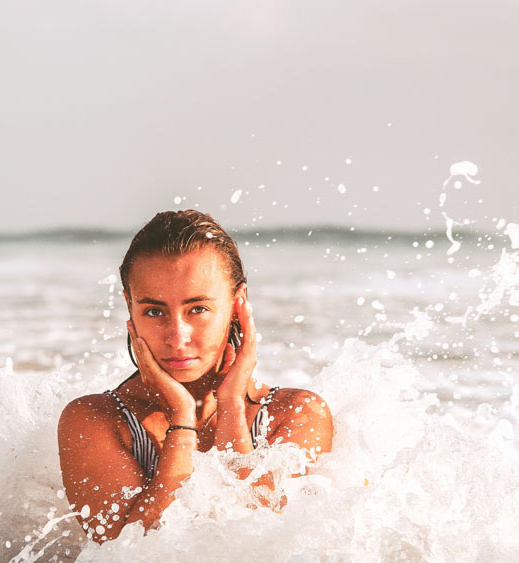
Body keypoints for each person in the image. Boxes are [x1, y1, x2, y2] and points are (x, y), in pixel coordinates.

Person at [58, 210, 333, 542]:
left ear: (237, 304)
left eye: (198, 309)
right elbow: (124, 562)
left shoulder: (297, 414)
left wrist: (231, 407)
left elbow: (261, 549)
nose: (177, 335)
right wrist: (182, 422)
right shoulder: (94, 421)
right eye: (154, 311)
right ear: (130, 307)